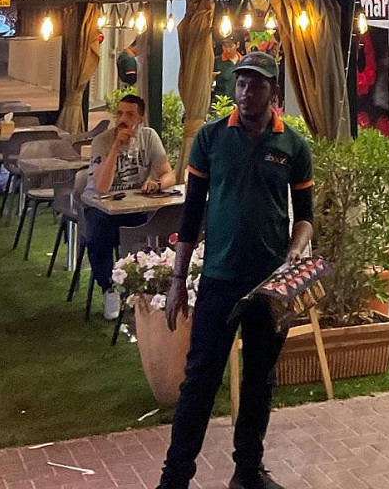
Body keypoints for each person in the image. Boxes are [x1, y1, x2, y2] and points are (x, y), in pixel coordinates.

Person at [156, 52, 314, 489]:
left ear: (273, 91)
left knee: (260, 381)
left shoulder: (293, 146)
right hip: (219, 280)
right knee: (200, 381)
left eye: (256, 84)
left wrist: (296, 249)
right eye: (241, 83)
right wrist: (177, 281)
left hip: (269, 286)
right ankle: (175, 477)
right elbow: (191, 215)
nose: (246, 92)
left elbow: (305, 216)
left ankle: (248, 471)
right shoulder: (210, 138)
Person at [85, 94, 177, 319]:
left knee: (164, 222)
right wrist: (116, 147)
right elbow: (102, 187)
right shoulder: (102, 141)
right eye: (119, 113)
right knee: (97, 232)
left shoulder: (149, 137)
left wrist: (156, 184)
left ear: (141, 119)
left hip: (135, 207)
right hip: (101, 207)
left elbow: (169, 175)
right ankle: (109, 288)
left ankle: (154, 286)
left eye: (129, 114)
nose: (122, 119)